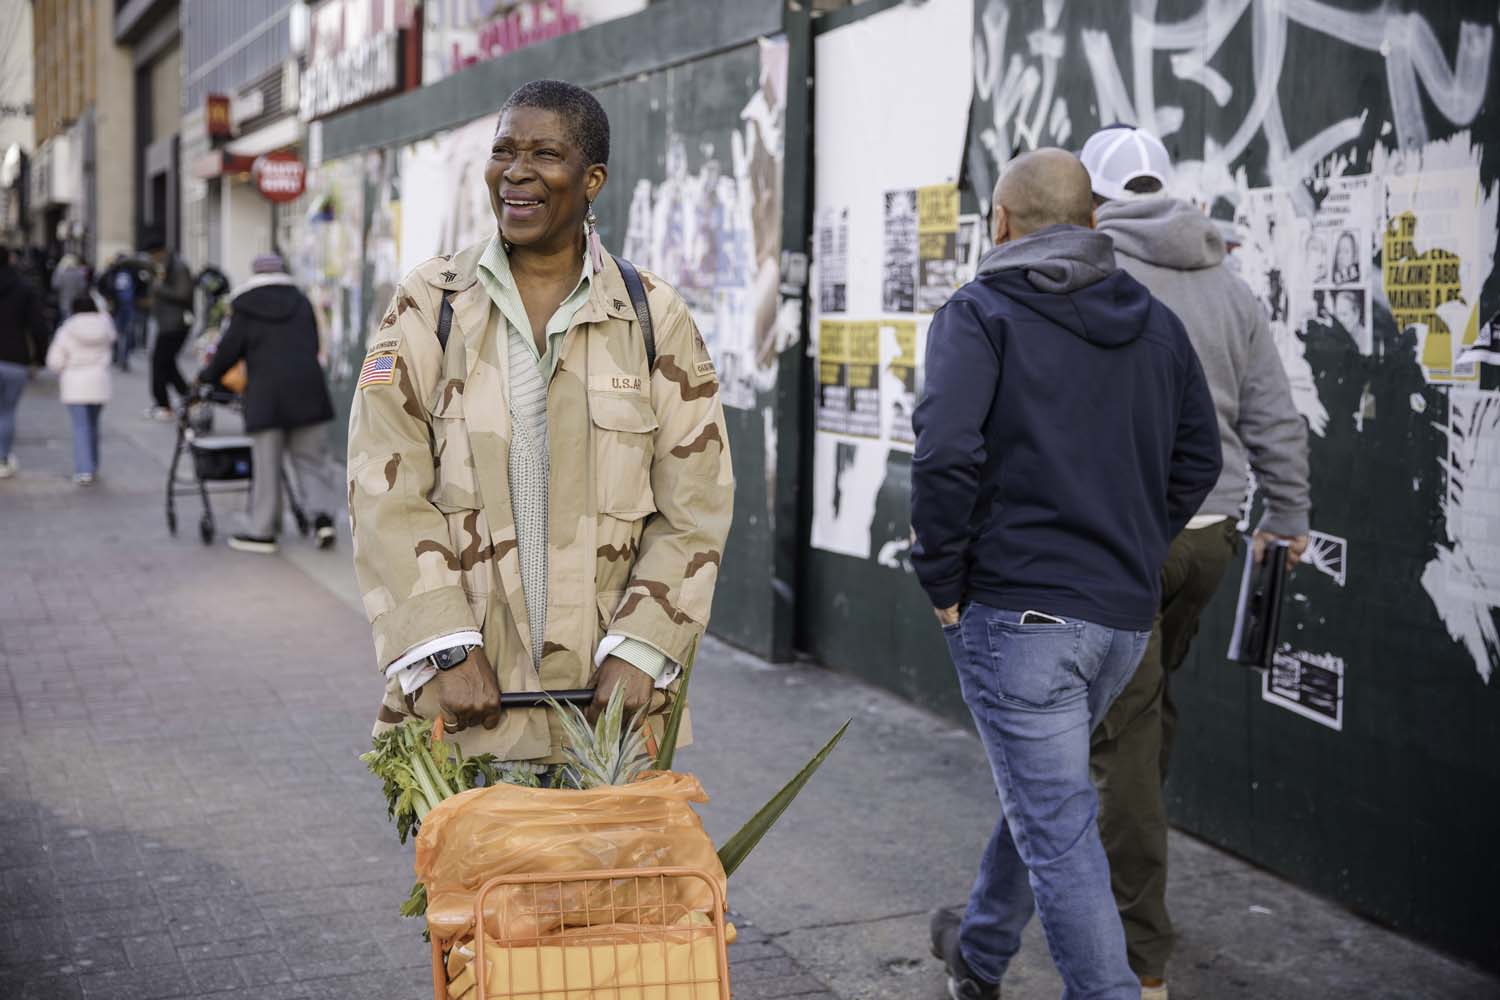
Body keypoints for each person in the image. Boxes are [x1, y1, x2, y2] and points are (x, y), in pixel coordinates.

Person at [347, 80, 733, 768]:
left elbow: (696, 504)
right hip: (464, 707)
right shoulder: (429, 304)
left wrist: (644, 649)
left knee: (617, 882)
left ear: (592, 181)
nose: (516, 172)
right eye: (504, 152)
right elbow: (384, 489)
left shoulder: (652, 316)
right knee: (476, 881)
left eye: (544, 154)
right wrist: (446, 649)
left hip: (610, 718)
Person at [910, 148, 1222, 1000]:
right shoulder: (1157, 324)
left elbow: (943, 454)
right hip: (1120, 619)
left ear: (999, 224)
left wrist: (940, 579)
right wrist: (1134, 542)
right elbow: (1201, 459)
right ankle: (977, 954)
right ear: (1094, 226)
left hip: (1019, 617)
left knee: (1056, 829)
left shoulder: (979, 312)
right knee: (1049, 798)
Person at [1082, 124, 1311, 1000]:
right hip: (1213, 539)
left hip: (1126, 540)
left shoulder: (1097, 274)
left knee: (1124, 740)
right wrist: (1286, 513)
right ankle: (1114, 859)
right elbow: (1273, 416)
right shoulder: (1228, 279)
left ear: (1098, 198)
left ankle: (1142, 960)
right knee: (1147, 711)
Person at [197, 253, 341, 554]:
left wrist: (206, 379)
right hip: (307, 389)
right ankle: (323, 519)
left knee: (267, 465)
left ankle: (263, 531)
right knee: (312, 461)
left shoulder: (246, 306)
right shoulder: (301, 301)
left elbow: (228, 351)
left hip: (267, 396)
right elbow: (313, 344)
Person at [46, 295, 116, 485]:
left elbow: (55, 361)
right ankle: (92, 465)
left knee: (80, 427)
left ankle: (84, 469)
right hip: (99, 382)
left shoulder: (67, 329)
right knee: (93, 426)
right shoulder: (106, 326)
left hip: (75, 383)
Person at [0, 246, 46, 478]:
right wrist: (39, 357)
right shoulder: (23, 288)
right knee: (6, 412)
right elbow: (38, 326)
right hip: (14, 358)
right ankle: (2, 458)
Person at [146, 245, 194, 420]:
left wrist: (159, 288)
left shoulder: (178, 267)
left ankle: (166, 404)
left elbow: (183, 293)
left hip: (175, 324)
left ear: (160, 252)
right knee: (166, 363)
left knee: (160, 362)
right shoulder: (165, 266)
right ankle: (189, 398)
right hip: (167, 323)